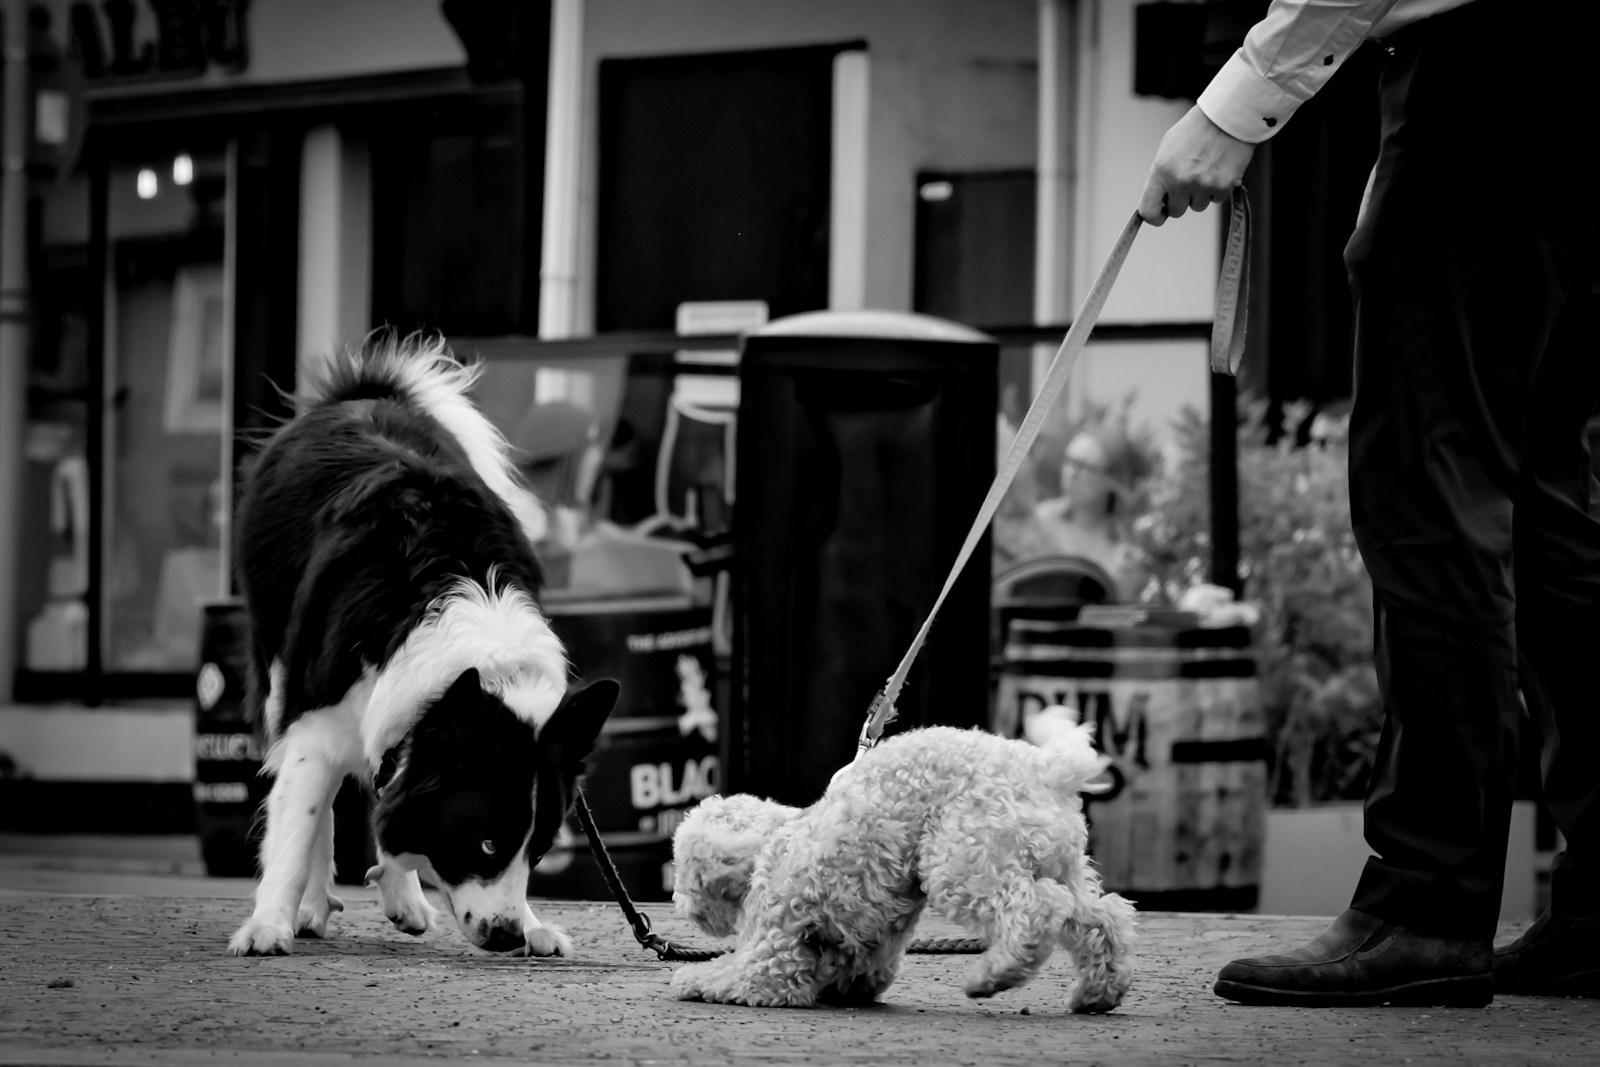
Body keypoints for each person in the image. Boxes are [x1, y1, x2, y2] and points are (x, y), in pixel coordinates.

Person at [1138, 0, 1598, 1007]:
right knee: (1545, 506)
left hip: (1480, 74)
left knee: (1431, 503)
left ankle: (1423, 904)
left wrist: (1235, 105)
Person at [1026, 427, 1149, 602]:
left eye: (1084, 467)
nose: (1071, 473)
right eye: (1068, 461)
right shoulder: (1041, 520)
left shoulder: (1124, 548)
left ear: (1111, 480)